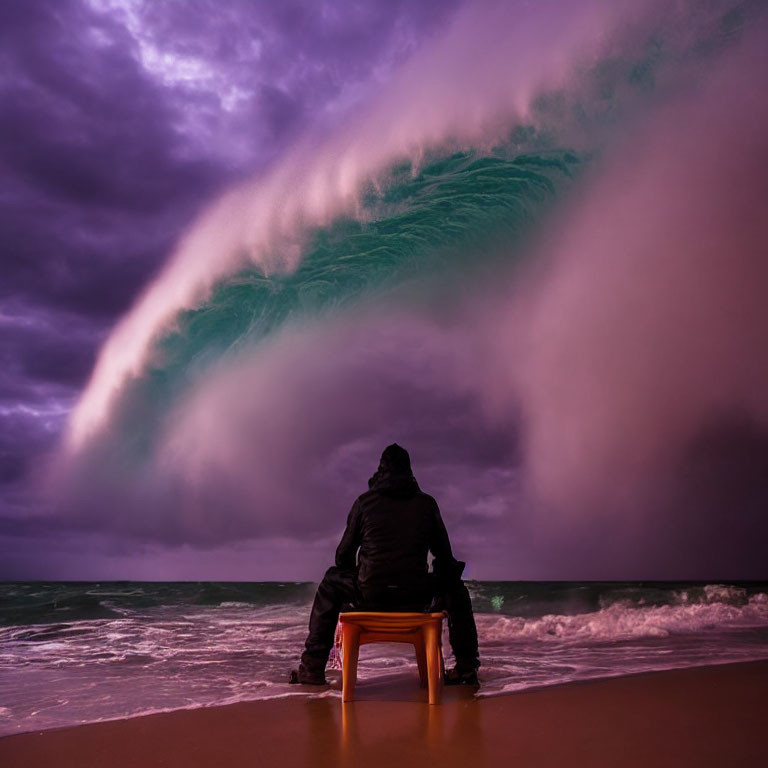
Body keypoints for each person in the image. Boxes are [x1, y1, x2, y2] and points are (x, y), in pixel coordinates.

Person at [290, 443, 480, 686]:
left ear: (380, 471)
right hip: (415, 597)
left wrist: (365, 572)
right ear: (410, 472)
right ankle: (466, 669)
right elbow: (444, 557)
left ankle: (312, 669)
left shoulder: (364, 503)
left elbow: (342, 558)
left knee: (330, 580)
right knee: (456, 587)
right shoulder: (426, 504)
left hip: (369, 595)